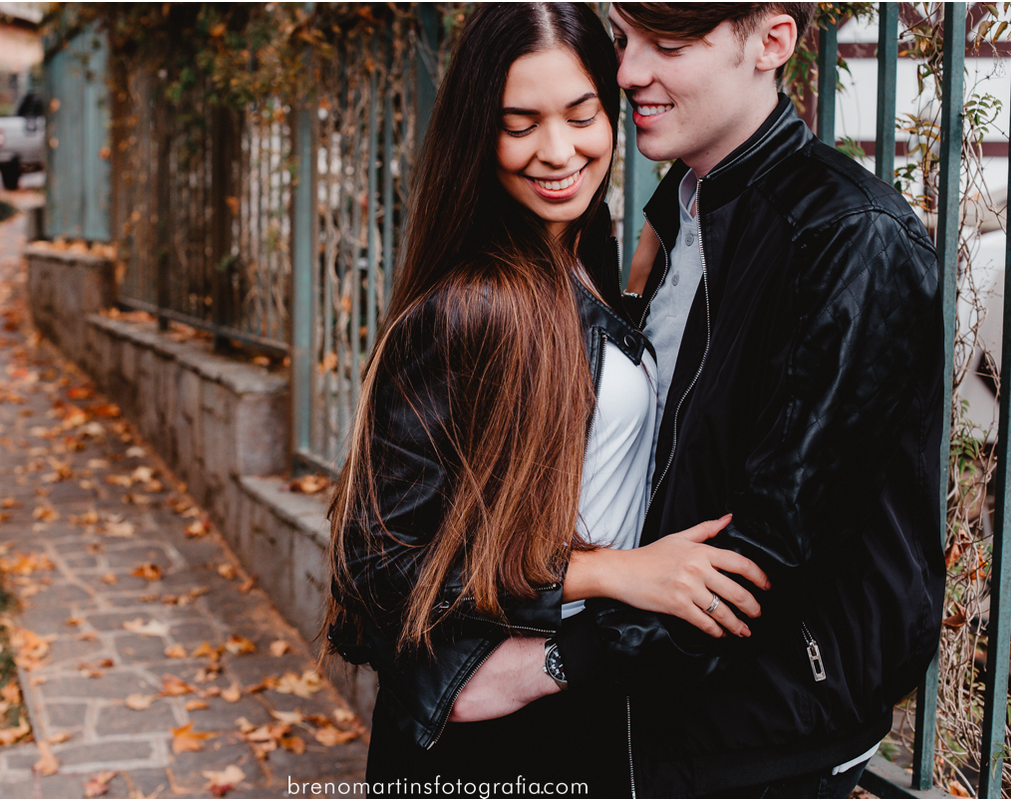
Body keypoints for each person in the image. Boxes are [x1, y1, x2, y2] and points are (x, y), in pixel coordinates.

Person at [324, 3, 770, 797]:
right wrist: (609, 576)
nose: (556, 151)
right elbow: (378, 566)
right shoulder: (473, 306)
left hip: (574, 700)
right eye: (519, 122)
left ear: (612, 108)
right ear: (477, 132)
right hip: (491, 728)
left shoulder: (586, 256)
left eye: (580, 114)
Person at [544, 3, 944, 797]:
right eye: (625, 42)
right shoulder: (689, 209)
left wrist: (554, 663)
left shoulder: (848, 238)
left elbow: (774, 541)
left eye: (669, 43)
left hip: (765, 734)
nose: (627, 73)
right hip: (661, 712)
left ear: (771, 42)